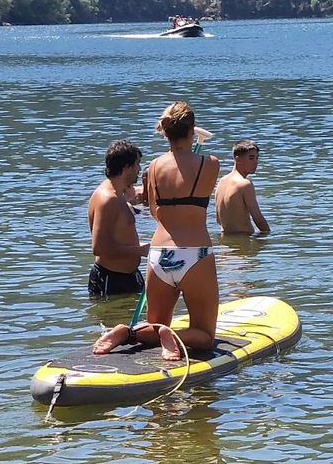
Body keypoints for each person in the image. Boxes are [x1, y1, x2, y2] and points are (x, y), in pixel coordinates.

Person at [93, 101, 221, 360]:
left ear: (165, 133)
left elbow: (155, 212)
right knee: (205, 336)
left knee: (155, 326)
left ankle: (127, 333)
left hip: (160, 253)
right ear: (192, 130)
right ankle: (172, 336)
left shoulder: (153, 167)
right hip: (195, 253)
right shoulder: (210, 164)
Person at [87, 139, 149, 299]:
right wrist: (139, 250)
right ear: (126, 167)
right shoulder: (108, 199)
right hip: (111, 280)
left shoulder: (118, 193)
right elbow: (99, 247)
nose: (139, 169)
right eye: (137, 164)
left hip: (128, 278)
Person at [215, 140, 270, 236]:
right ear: (238, 160)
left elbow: (218, 219)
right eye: (251, 158)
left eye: (257, 158)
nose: (256, 162)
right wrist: (268, 237)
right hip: (244, 239)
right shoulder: (245, 184)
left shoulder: (221, 182)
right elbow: (259, 220)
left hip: (224, 240)